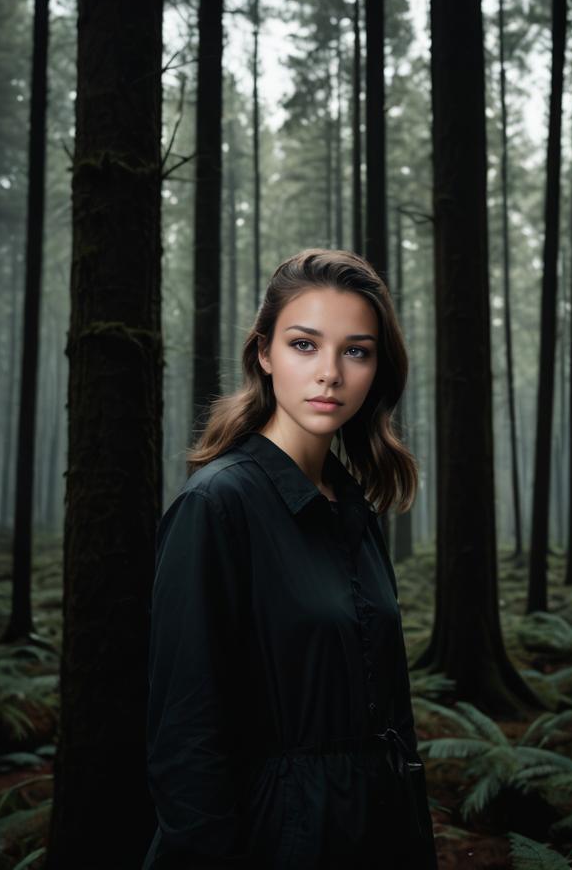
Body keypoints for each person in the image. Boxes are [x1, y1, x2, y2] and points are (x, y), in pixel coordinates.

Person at [142, 248, 437, 869]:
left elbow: (392, 711)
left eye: (356, 350)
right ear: (264, 354)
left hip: (380, 836)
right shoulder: (217, 507)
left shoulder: (353, 506)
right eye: (305, 344)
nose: (330, 372)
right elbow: (185, 740)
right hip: (276, 844)